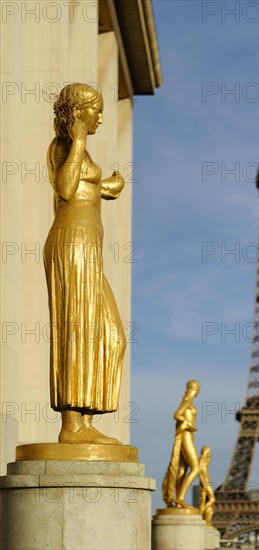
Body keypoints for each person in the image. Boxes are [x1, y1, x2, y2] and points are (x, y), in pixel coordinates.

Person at [43, 83, 126, 444]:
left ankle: (86, 419)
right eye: (96, 110)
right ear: (79, 112)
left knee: (110, 335)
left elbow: (85, 189)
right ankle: (71, 425)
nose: (101, 118)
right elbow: (64, 187)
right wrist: (77, 141)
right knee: (76, 328)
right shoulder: (64, 146)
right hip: (72, 243)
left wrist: (108, 186)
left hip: (89, 246)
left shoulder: (81, 153)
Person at [162, 380, 201, 509]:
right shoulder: (187, 401)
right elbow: (177, 414)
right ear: (194, 389)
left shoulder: (188, 401)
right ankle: (180, 497)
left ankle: (179, 499)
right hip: (186, 435)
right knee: (196, 468)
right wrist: (188, 424)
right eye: (197, 389)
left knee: (182, 469)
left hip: (188, 435)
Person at [199, 446, 215, 525]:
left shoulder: (204, 462)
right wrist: (204, 485)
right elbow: (201, 474)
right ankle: (201, 512)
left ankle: (202, 512)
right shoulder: (202, 461)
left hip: (207, 482)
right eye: (208, 453)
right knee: (212, 499)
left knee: (210, 500)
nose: (210, 457)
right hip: (205, 483)